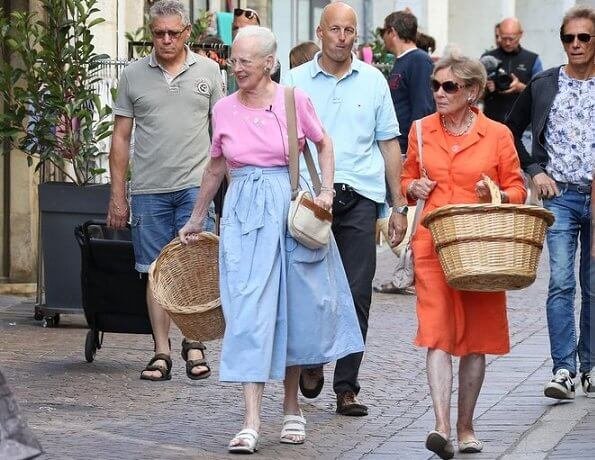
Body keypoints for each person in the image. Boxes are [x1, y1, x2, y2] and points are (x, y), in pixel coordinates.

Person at [178, 26, 364, 454]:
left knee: (295, 309)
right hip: (243, 212)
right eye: (234, 59)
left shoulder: (292, 100)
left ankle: (292, 406)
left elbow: (324, 143)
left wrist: (327, 191)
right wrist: (197, 217)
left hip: (287, 210)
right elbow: (215, 166)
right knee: (247, 313)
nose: (237, 66)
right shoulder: (223, 109)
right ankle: (250, 419)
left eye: (245, 60)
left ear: (268, 62)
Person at [285, 2, 408, 416]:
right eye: (334, 29)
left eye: (349, 30)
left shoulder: (374, 81)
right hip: (309, 199)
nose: (341, 37)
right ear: (320, 32)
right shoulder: (295, 80)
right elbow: (286, 144)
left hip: (359, 196)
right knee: (310, 290)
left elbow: (389, 143)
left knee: (357, 293)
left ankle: (347, 386)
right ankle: (314, 360)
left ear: (358, 36)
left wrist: (398, 205)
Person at [402, 55, 526, 458]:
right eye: (436, 85)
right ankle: (441, 427)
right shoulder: (420, 130)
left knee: (475, 340)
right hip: (433, 245)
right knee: (436, 333)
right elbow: (407, 178)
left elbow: (517, 190)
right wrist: (412, 188)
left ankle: (466, 426)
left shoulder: (497, 134)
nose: (439, 92)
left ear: (472, 91)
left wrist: (498, 193)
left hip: (481, 250)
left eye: (449, 87)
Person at [107, 0, 224, 382]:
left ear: (187, 32)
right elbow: (121, 138)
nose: (167, 40)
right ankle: (161, 351)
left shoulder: (209, 71)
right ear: (150, 34)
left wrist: (228, 186)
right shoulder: (133, 75)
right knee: (154, 271)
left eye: (174, 32)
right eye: (159, 33)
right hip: (148, 190)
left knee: (194, 267)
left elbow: (222, 135)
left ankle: (194, 342)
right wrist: (118, 194)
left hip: (196, 186)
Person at [506, 5, 594, 400]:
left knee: (593, 286)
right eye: (568, 38)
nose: (575, 45)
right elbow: (510, 130)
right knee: (561, 282)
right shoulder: (544, 83)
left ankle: (591, 366)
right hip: (559, 196)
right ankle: (563, 368)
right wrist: (534, 169)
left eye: (583, 38)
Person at [375, 9, 436, 295]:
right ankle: (410, 267)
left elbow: (423, 106)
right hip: (397, 146)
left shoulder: (419, 61)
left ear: (392, 32)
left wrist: (416, 150)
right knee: (398, 207)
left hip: (406, 148)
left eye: (384, 32)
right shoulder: (401, 62)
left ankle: (413, 267)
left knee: (405, 207)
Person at [481, 17, 543, 123]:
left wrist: (521, 88)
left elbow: (541, 92)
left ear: (520, 34)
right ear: (498, 34)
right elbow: (474, 92)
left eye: (511, 39)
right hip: (492, 121)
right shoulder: (487, 58)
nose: (508, 43)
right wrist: (485, 88)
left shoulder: (532, 59)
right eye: (504, 38)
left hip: (523, 124)